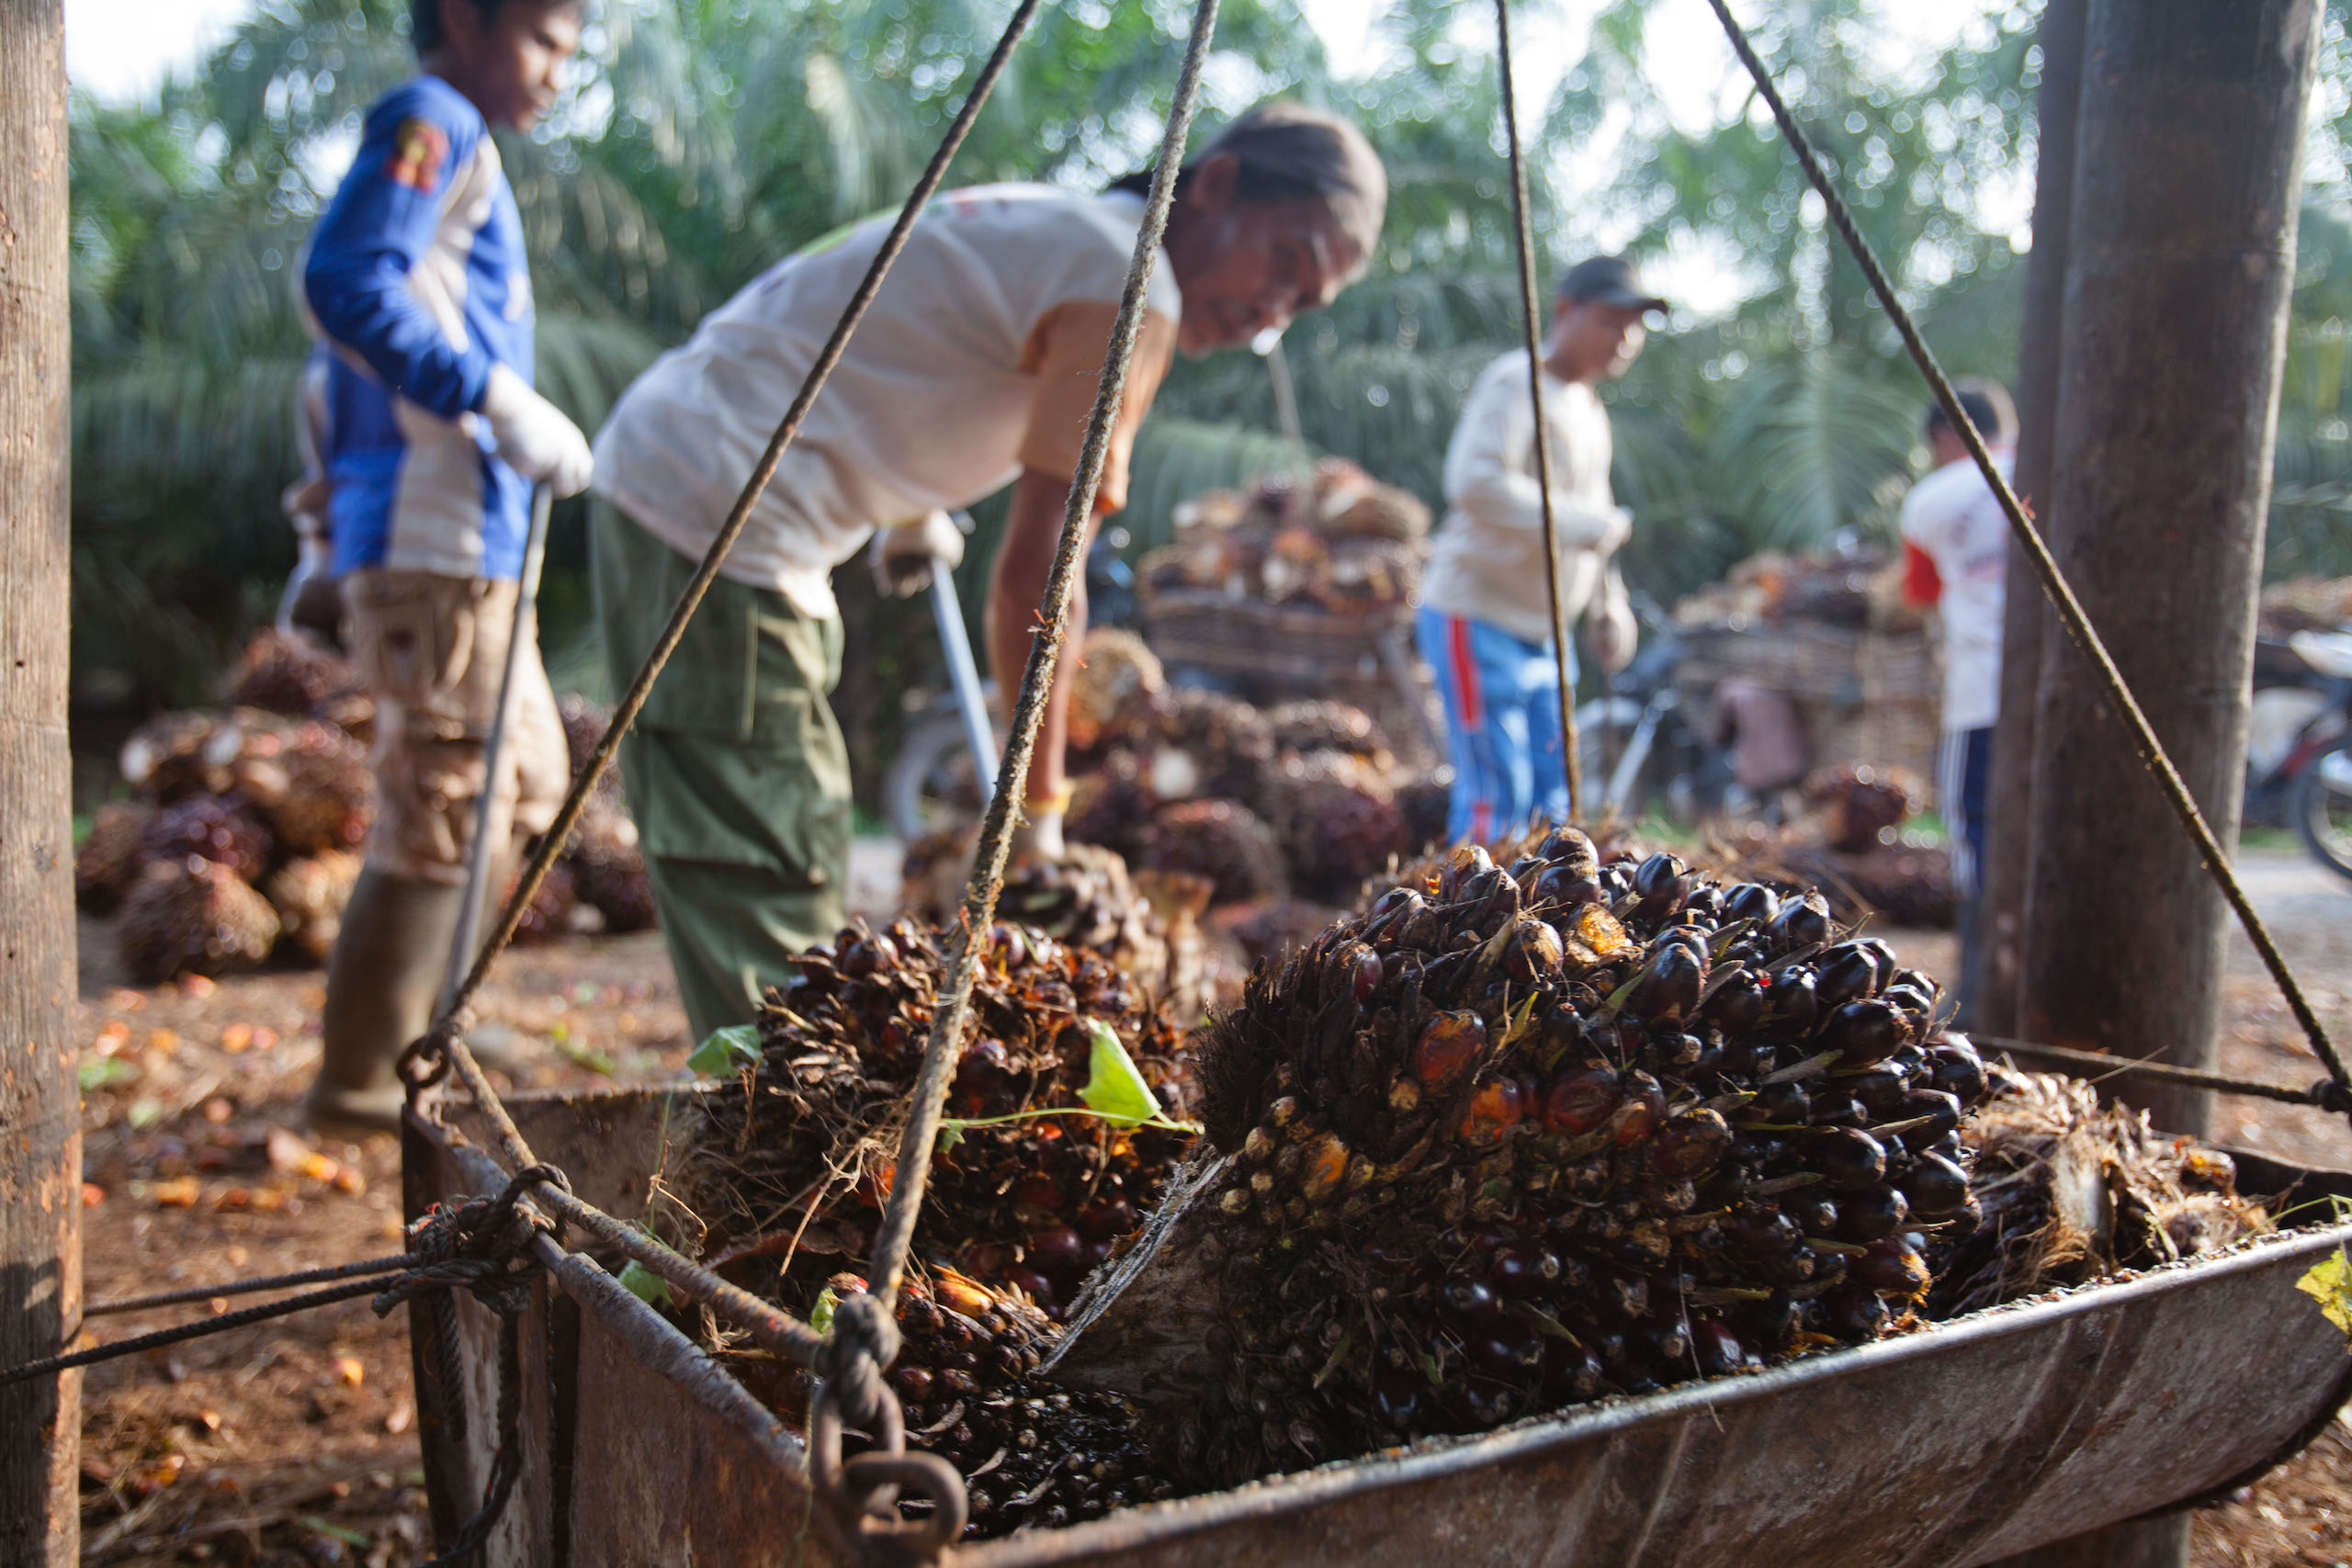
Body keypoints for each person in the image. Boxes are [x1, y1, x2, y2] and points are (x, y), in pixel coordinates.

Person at [589, 103, 1387, 1043]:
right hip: (715, 507)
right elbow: (1043, 581)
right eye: (1284, 261)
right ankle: (772, 1135)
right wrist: (1041, 808)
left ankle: (784, 1100)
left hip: (707, 485)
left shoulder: (1059, 226)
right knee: (759, 856)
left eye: (1300, 304)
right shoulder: (1134, 285)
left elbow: (897, 336)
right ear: (1214, 185)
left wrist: (908, 502)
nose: (1271, 310)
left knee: (799, 828)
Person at [300, 0, 594, 1128]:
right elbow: (343, 284)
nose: (558, 74)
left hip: (475, 537)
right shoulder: (433, 118)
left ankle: (436, 1017)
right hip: (434, 539)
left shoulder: (466, 149)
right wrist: (488, 390)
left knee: (517, 785)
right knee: (447, 792)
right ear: (468, 19)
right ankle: (365, 1077)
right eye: (546, 42)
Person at [1417, 255, 1663, 843]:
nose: (1625, 338)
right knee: (1497, 800)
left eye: (1637, 326)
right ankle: (1464, 930)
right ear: (1564, 312)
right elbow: (1475, 483)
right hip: (1479, 614)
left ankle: (1542, 931)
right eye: (1611, 320)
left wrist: (1610, 605)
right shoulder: (1518, 380)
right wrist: (1581, 524)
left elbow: (1598, 522)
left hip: (1548, 631)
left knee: (1554, 801)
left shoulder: (1589, 408)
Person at [1898, 378, 2016, 1007]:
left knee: (1976, 832)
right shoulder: (2044, 473)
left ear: (1945, 437)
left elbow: (1918, 594)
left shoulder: (1934, 499)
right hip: (2070, 696)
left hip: (1983, 693)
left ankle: (1979, 989)